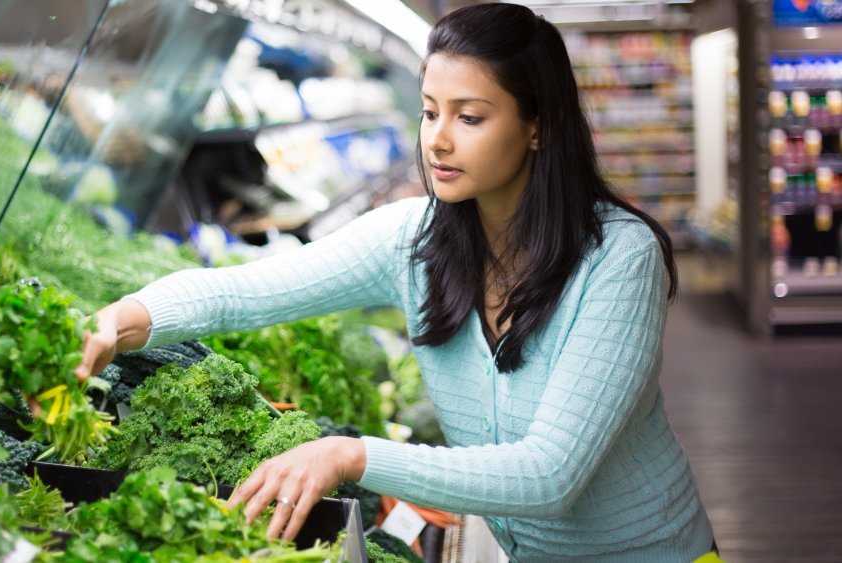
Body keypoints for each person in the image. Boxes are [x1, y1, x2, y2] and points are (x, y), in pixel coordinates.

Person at [75, 3, 716, 561]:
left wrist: (353, 455)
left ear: (537, 125)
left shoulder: (618, 258)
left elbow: (550, 477)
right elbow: (246, 289)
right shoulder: (416, 238)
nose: (437, 140)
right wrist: (125, 318)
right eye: (430, 111)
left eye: (470, 117)